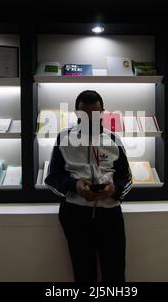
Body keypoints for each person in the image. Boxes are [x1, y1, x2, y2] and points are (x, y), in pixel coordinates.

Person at [45, 90, 132, 282]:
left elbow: (126, 178)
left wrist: (114, 190)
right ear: (76, 113)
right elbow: (52, 178)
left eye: (96, 115)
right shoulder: (63, 139)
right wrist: (75, 185)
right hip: (75, 214)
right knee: (83, 273)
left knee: (115, 272)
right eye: (85, 115)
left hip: (110, 215)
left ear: (102, 113)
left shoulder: (114, 139)